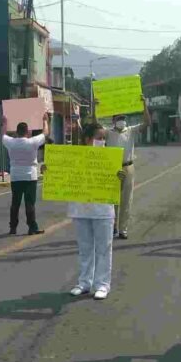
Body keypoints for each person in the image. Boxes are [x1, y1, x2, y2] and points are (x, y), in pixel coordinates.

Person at [60, 123, 124, 300]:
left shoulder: (110, 158)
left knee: (104, 249)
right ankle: (84, 282)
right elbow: (63, 177)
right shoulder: (74, 157)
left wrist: (120, 177)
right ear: (88, 139)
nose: (102, 141)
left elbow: (119, 184)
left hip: (103, 210)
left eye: (104, 138)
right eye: (99, 137)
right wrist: (48, 171)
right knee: (85, 249)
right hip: (81, 209)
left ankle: (102, 284)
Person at [106, 105, 151, 240]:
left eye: (123, 118)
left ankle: (123, 229)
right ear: (113, 120)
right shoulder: (108, 132)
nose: (122, 120)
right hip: (113, 168)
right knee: (112, 200)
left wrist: (144, 105)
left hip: (128, 167)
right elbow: (95, 126)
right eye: (119, 118)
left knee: (126, 200)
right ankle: (113, 226)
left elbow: (147, 123)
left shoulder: (131, 130)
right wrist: (96, 109)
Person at [1, 114, 50, 236]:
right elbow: (46, 133)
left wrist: (5, 122)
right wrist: (45, 121)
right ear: (27, 132)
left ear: (16, 132)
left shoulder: (11, 142)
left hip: (16, 176)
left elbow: (2, 135)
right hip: (30, 177)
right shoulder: (32, 142)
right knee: (30, 203)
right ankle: (32, 227)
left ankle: (13, 227)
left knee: (15, 203)